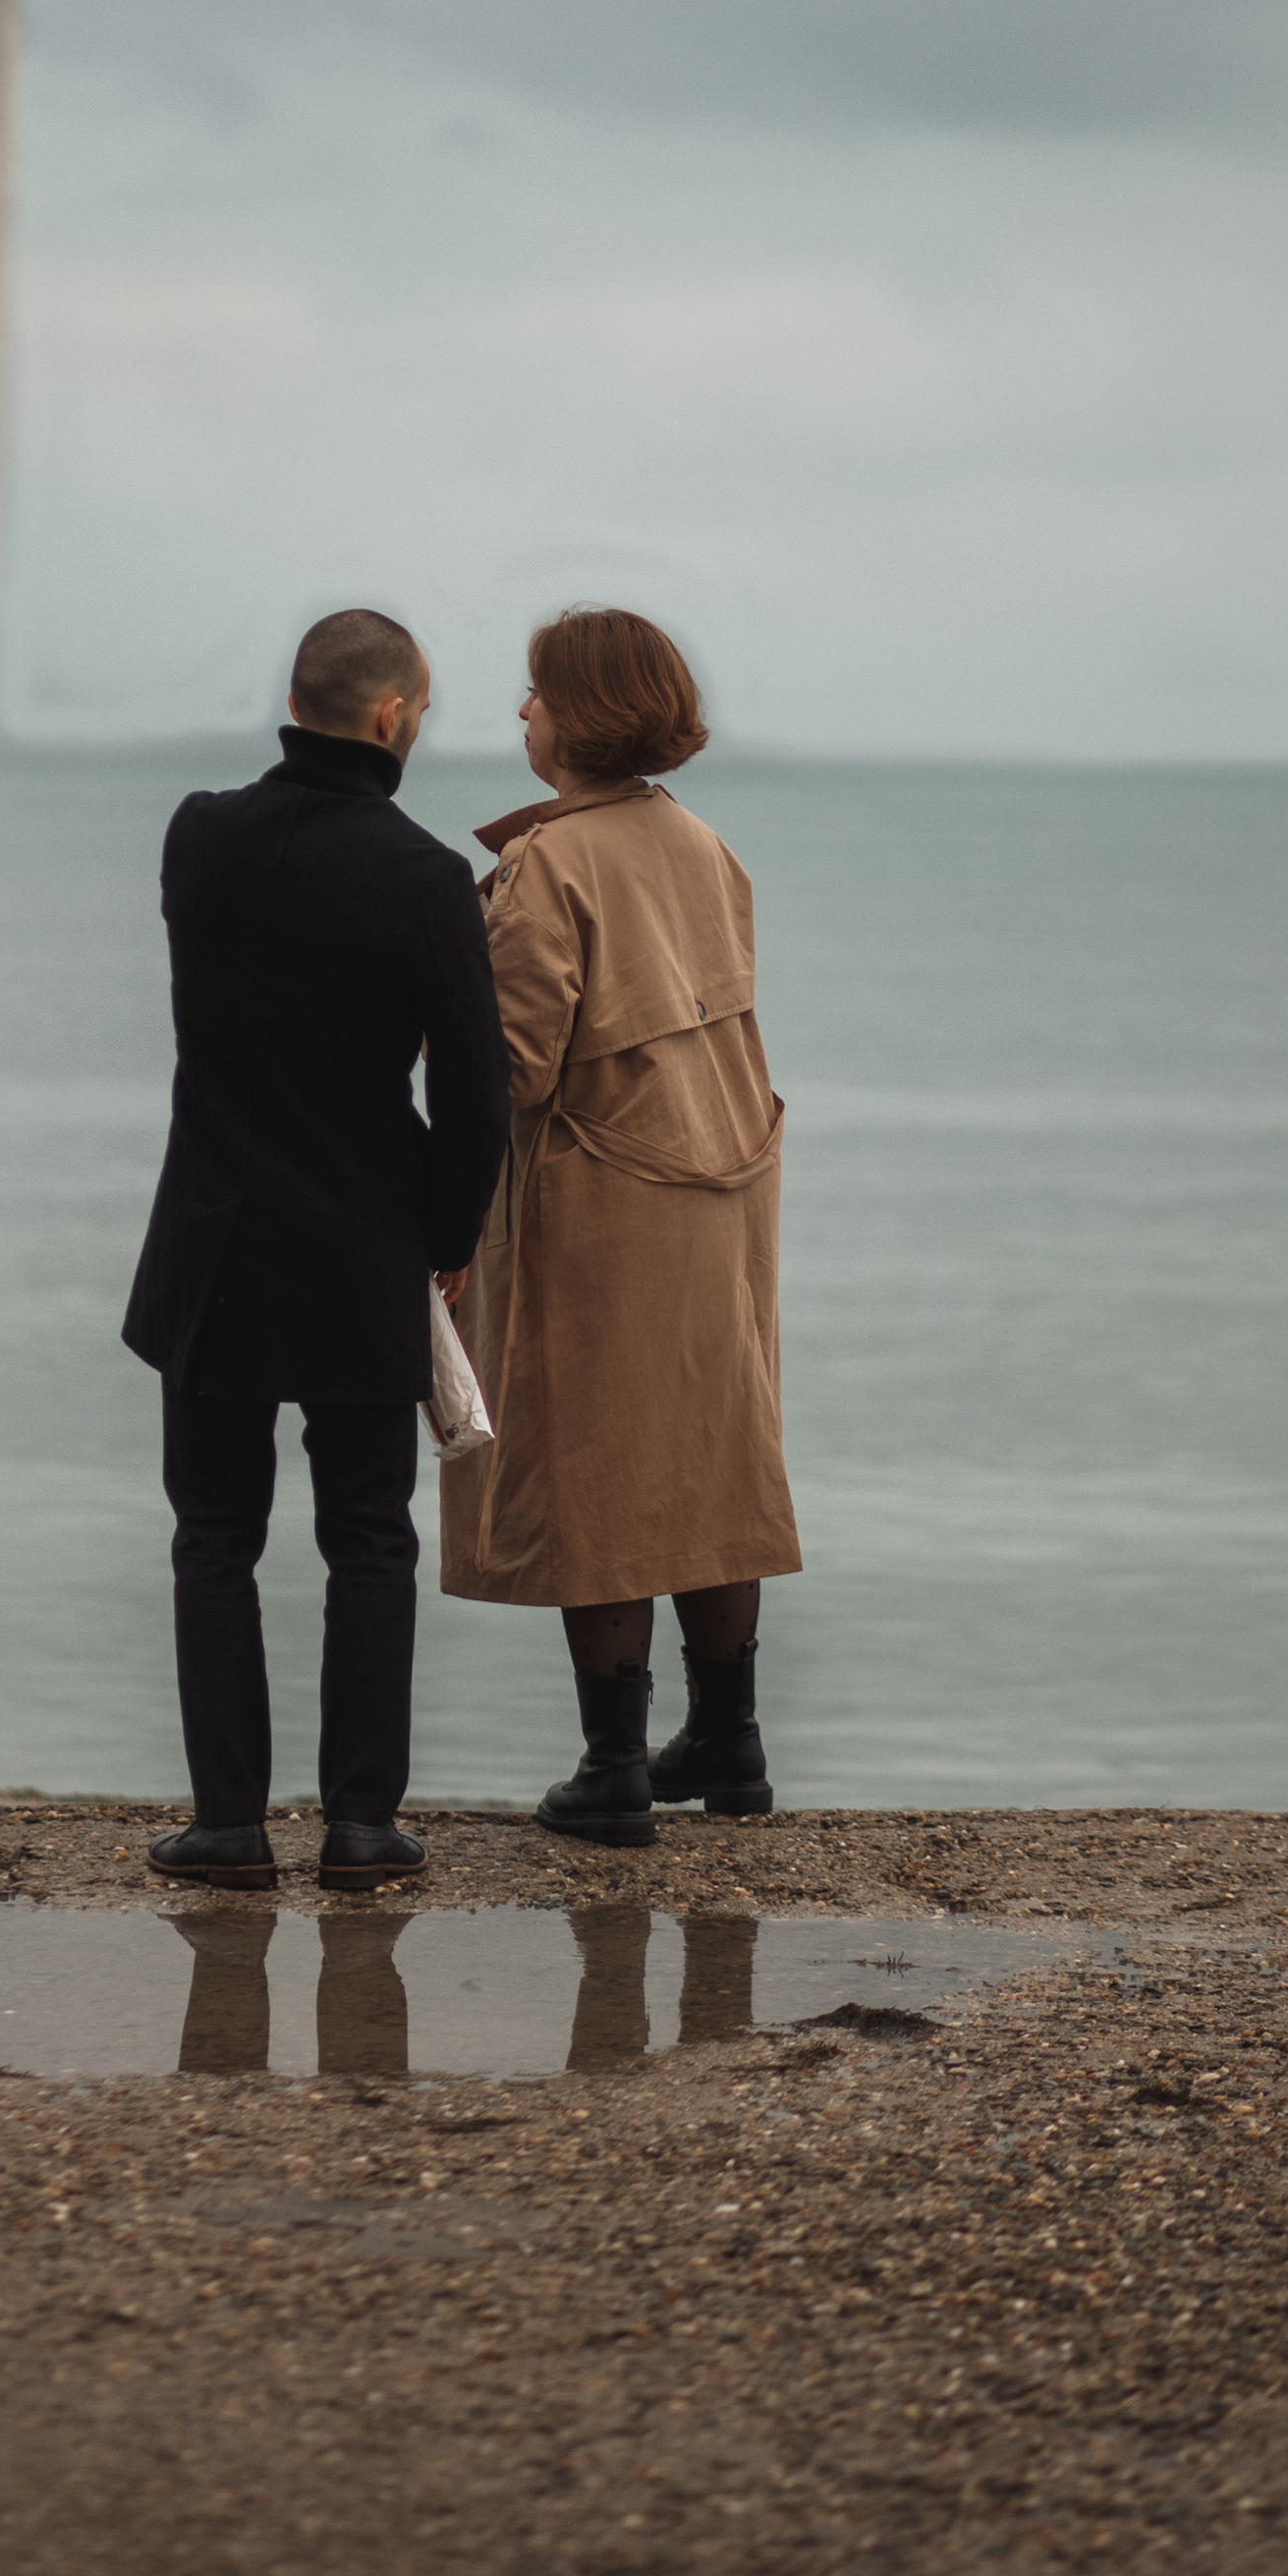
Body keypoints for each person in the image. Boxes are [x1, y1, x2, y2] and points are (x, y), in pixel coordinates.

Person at [122, 609, 509, 1893]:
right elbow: (475, 1099)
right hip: (358, 1239)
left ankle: (227, 1824)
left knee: (212, 1537)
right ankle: (359, 1825)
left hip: (216, 1238)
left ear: (299, 700)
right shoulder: (426, 879)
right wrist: (447, 1242)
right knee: (371, 1538)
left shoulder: (200, 837)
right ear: (394, 716)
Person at [438, 607, 801, 1844]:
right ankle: (727, 1739)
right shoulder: (702, 844)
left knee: (594, 1466)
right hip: (724, 1178)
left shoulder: (552, 863)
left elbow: (517, 1065)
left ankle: (612, 1766)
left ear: (579, 714)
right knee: (710, 1451)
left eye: (534, 693)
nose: (520, 712)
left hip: (603, 1193)